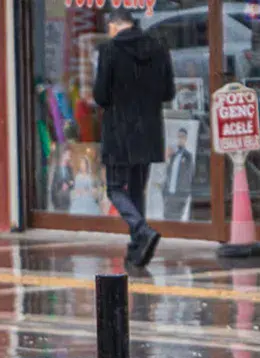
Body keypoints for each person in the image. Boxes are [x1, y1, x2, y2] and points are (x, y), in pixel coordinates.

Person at [93, 8, 174, 267]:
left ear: (114, 25)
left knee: (115, 188)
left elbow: (101, 96)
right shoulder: (158, 47)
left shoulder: (109, 51)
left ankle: (142, 230)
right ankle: (138, 248)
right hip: (149, 130)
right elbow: (168, 92)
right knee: (137, 189)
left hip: (119, 131)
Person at [164, 128, 195, 221]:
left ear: (185, 139)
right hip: (169, 193)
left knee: (176, 219)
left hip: (179, 194)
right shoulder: (173, 155)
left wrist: (184, 195)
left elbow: (188, 176)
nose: (180, 139)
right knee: (166, 218)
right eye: (178, 137)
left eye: (182, 137)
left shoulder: (188, 156)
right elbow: (167, 172)